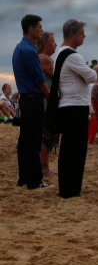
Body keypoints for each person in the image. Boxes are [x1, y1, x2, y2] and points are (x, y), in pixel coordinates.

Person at [56, 19, 97, 199]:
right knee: (76, 150)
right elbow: (92, 76)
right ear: (72, 34)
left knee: (68, 148)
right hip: (75, 106)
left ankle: (68, 188)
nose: (84, 35)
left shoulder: (61, 53)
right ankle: (71, 189)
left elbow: (87, 77)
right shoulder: (72, 55)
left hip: (68, 105)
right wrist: (87, 72)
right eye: (81, 32)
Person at [12, 14, 50, 189]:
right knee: (34, 141)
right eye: (39, 27)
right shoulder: (29, 51)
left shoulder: (19, 48)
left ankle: (24, 178)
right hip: (33, 100)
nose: (41, 30)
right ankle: (35, 181)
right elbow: (39, 79)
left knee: (25, 141)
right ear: (30, 28)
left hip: (25, 100)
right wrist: (49, 95)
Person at [37, 31, 58, 178]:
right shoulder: (45, 59)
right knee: (47, 138)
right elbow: (57, 78)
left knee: (46, 138)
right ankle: (44, 169)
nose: (56, 44)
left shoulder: (42, 58)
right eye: (53, 41)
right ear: (46, 43)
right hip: (46, 103)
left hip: (44, 102)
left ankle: (45, 168)